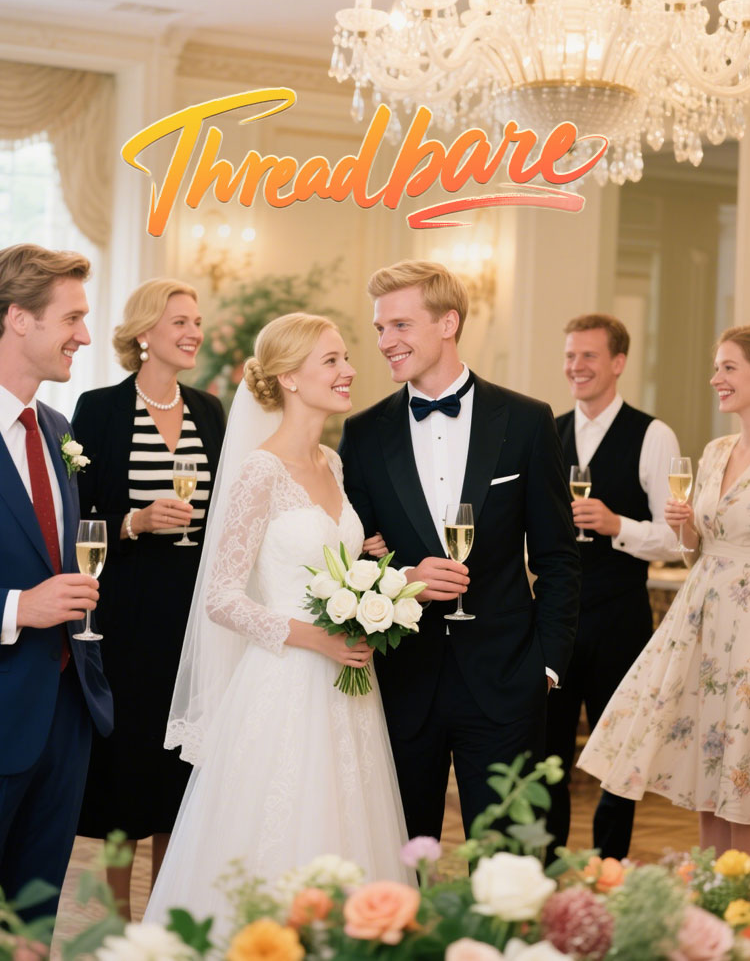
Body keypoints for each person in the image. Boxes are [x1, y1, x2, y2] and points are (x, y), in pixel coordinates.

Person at [145, 312, 411, 941]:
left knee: (349, 827)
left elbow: (329, 563)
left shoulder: (332, 464)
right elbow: (220, 598)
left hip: (348, 688)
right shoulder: (259, 471)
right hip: (285, 684)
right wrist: (312, 635)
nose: (349, 371)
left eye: (346, 358)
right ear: (289, 378)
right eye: (332, 361)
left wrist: (372, 581)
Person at [338, 260, 580, 841]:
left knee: (508, 862)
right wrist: (405, 575)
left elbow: (558, 556)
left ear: (448, 323)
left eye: (400, 325)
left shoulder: (527, 421)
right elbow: (349, 560)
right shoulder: (363, 434)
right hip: (402, 683)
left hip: (507, 681)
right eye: (379, 328)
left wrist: (545, 668)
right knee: (401, 862)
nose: (385, 342)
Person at [71, 279, 225, 919]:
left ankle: (167, 912)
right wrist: (134, 522)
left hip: (195, 613)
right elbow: (77, 516)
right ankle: (114, 918)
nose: (194, 332)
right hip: (125, 611)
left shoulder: (210, 410)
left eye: (197, 321)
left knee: (178, 769)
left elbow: (228, 512)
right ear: (144, 333)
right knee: (122, 765)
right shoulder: (99, 408)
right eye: (180, 321)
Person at [579, 324, 750, 855]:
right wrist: (685, 526)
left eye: (728, 368)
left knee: (742, 760)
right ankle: (711, 886)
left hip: (745, 623)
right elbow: (695, 547)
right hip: (703, 618)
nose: (715, 379)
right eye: (716, 368)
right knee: (708, 759)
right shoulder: (717, 451)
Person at [0, 243, 113, 921]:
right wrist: (17, 607)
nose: (85, 336)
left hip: (66, 713)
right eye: (72, 318)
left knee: (35, 916)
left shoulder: (56, 428)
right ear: (19, 318)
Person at [545, 314, 681, 860]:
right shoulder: (547, 431)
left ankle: (610, 867)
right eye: (570, 356)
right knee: (548, 754)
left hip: (622, 618)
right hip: (556, 617)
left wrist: (616, 524)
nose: (575, 366)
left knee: (620, 756)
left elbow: (676, 539)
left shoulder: (653, 435)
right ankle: (546, 868)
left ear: (618, 363)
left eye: (589, 356)